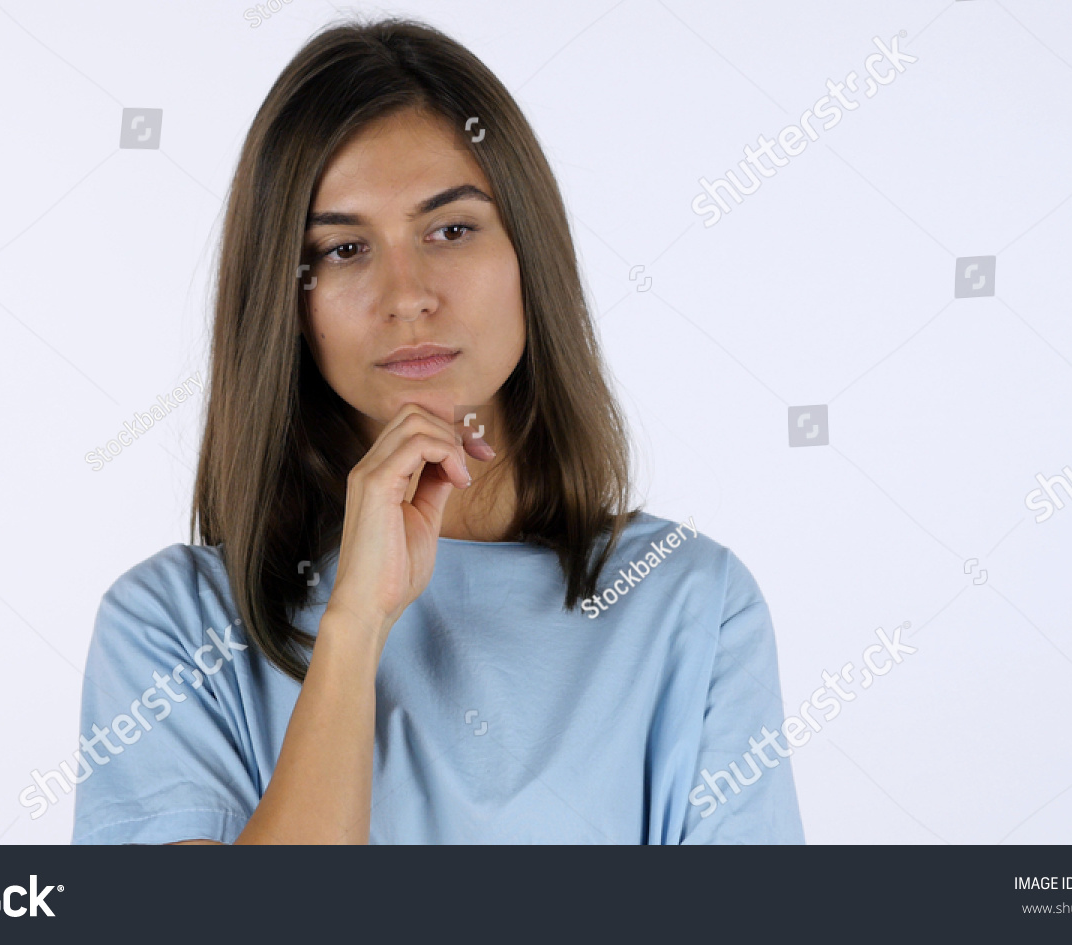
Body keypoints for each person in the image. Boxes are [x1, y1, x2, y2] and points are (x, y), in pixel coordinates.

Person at [70, 16, 802, 844]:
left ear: (532, 253)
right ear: (287, 300)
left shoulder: (691, 606)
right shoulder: (171, 627)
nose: (407, 293)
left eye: (451, 229)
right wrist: (354, 623)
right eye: (344, 249)